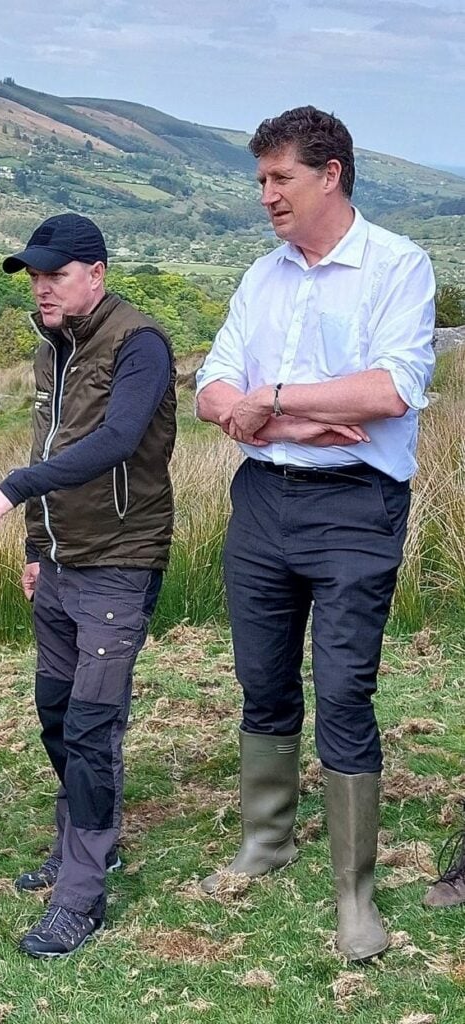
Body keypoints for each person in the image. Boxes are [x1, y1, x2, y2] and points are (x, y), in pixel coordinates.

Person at [195, 106, 435, 961]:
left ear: (329, 174)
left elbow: (389, 390)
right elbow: (211, 388)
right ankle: (266, 841)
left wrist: (276, 399)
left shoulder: (397, 267)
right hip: (262, 501)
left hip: (355, 508)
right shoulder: (260, 278)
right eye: (261, 180)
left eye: (279, 178)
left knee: (341, 691)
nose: (266, 195)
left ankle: (354, 895)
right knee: (260, 679)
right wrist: (281, 419)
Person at [0, 213, 177, 958]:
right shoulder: (52, 347)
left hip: (118, 560)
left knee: (90, 729)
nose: (41, 286)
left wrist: (12, 490)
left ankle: (81, 895)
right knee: (55, 713)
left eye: (54, 274)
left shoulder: (138, 342)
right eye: (34, 275)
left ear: (96, 271)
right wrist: (33, 545)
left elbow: (115, 440)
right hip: (56, 564)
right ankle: (87, 840)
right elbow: (45, 438)